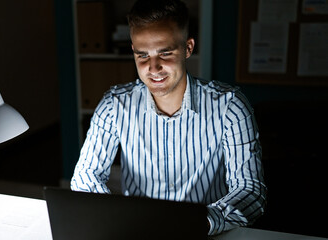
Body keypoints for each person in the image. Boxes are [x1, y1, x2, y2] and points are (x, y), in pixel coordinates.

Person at [71, 0, 267, 235]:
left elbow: (250, 190)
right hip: (138, 232)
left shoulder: (230, 106)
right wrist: (116, 217)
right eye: (142, 55)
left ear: (188, 47)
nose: (153, 68)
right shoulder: (114, 106)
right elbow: (85, 177)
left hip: (206, 232)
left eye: (165, 53)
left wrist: (199, 222)